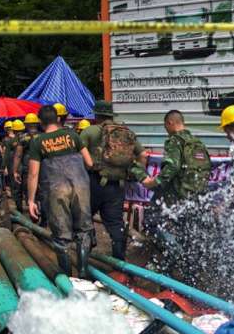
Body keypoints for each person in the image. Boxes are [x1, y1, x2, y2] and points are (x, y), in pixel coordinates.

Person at [139, 110, 211, 279]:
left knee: (150, 221)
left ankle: (171, 258)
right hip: (195, 197)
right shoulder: (197, 142)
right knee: (188, 235)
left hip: (176, 196)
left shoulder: (174, 141)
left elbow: (172, 167)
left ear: (170, 123)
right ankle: (189, 277)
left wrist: (153, 183)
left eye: (165, 126)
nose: (166, 129)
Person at [27, 105, 94, 275]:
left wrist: (30, 200)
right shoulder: (73, 135)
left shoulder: (37, 142)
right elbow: (89, 163)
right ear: (58, 119)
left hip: (56, 189)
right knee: (84, 230)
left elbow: (33, 174)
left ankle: (67, 279)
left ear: (40, 122)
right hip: (80, 186)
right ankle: (83, 272)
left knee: (61, 235)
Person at [80, 100, 146, 260]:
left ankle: (85, 258)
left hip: (94, 182)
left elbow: (78, 154)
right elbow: (143, 155)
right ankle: (119, 262)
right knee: (116, 223)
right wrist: (134, 174)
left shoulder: (89, 131)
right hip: (118, 185)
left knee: (84, 219)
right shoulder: (126, 132)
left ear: (96, 115)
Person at [13, 113, 42, 215]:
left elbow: (18, 155)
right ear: (37, 124)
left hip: (28, 167)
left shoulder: (23, 138)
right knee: (43, 190)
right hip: (42, 166)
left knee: (30, 190)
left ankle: (34, 212)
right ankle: (44, 213)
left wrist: (15, 170)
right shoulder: (43, 136)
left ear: (26, 125)